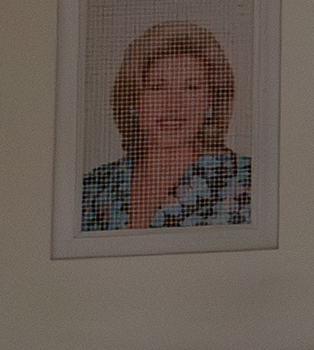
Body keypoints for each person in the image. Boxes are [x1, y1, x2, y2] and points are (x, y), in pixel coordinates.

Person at [79, 19, 253, 231]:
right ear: (133, 100)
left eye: (191, 87)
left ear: (212, 100)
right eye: (157, 88)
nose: (173, 105)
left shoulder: (249, 180)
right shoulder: (91, 187)